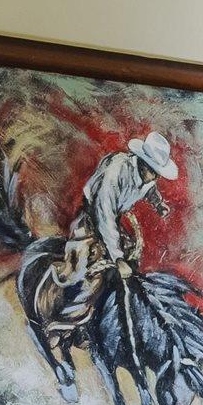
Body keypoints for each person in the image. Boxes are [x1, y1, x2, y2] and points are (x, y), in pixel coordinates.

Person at [46, 130, 178, 353]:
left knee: (132, 273)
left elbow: (148, 190)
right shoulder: (117, 170)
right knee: (95, 274)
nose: (155, 178)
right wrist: (117, 258)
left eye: (157, 175)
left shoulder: (146, 177)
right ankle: (64, 325)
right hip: (92, 220)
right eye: (154, 173)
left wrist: (158, 204)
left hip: (112, 225)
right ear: (144, 165)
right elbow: (104, 213)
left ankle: (106, 321)